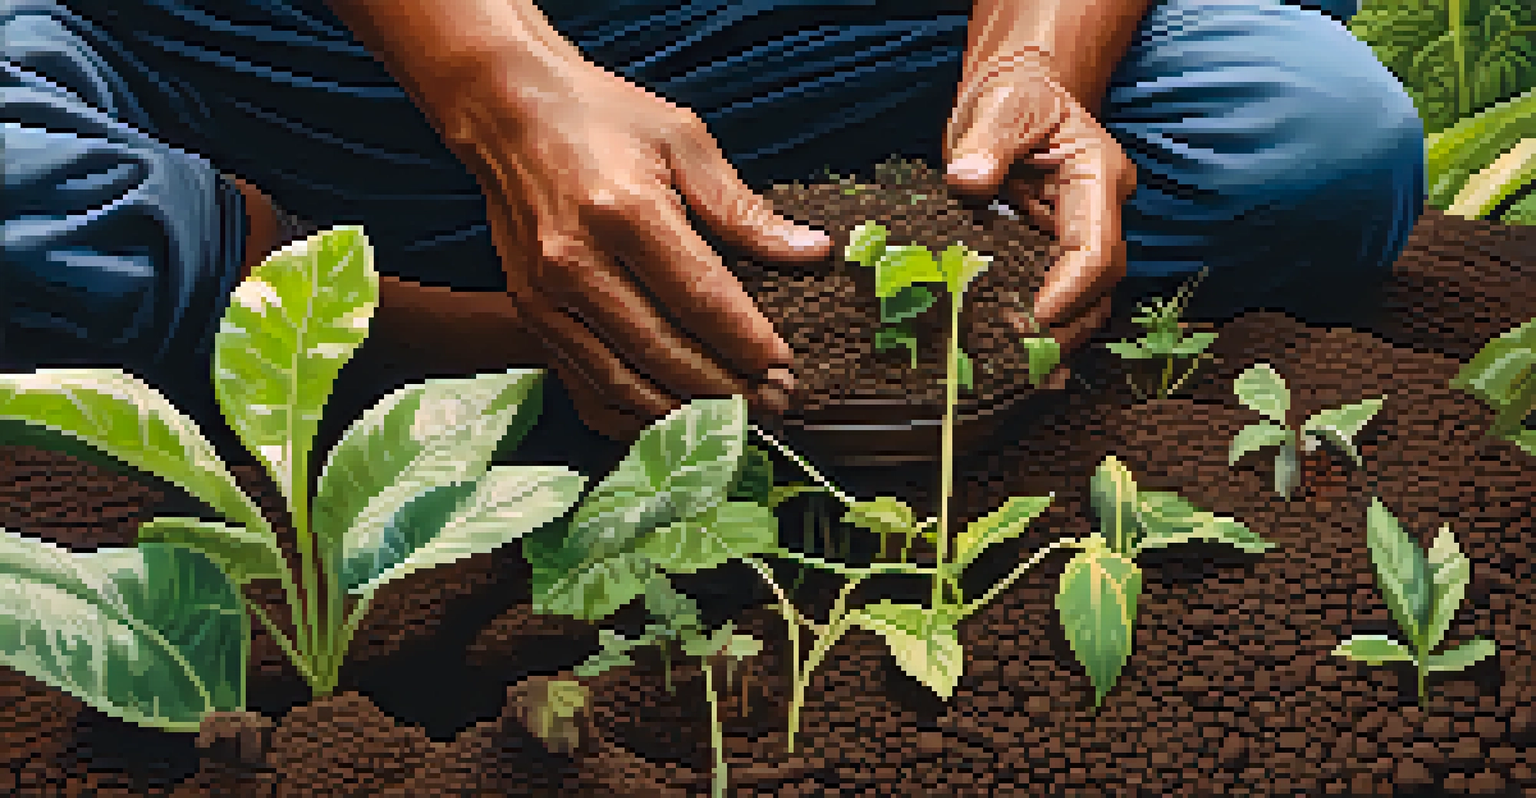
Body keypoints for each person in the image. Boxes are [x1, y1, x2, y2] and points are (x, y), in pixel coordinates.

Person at [3, 0, 1421, 445]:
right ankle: (438, 343)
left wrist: (1035, 60)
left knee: (1315, 138)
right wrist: (503, 87)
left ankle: (776, 307)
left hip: (794, 45)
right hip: (299, 75)